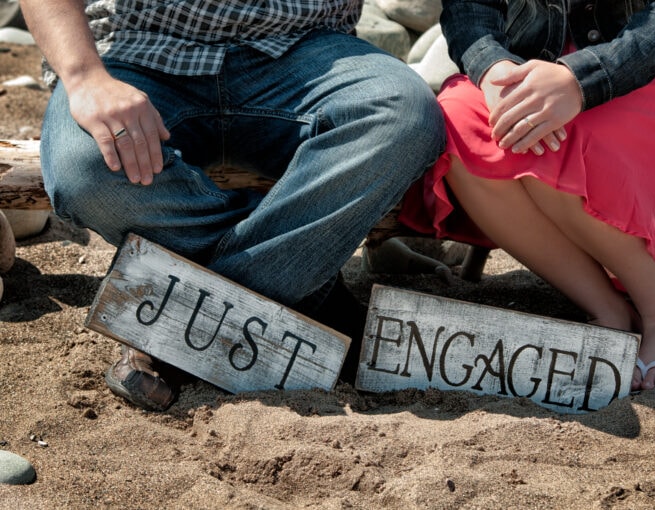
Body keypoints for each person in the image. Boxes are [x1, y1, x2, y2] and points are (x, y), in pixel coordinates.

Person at [20, 0, 445, 410]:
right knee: (84, 169)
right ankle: (314, 299)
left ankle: (179, 330)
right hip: (141, 51)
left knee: (402, 113)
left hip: (308, 50)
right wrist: (84, 76)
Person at [399, 0, 655, 392]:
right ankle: (607, 310)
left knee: (549, 137)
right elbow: (469, 8)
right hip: (530, 70)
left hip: (653, 75)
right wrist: (492, 69)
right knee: (457, 122)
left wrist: (577, 80)